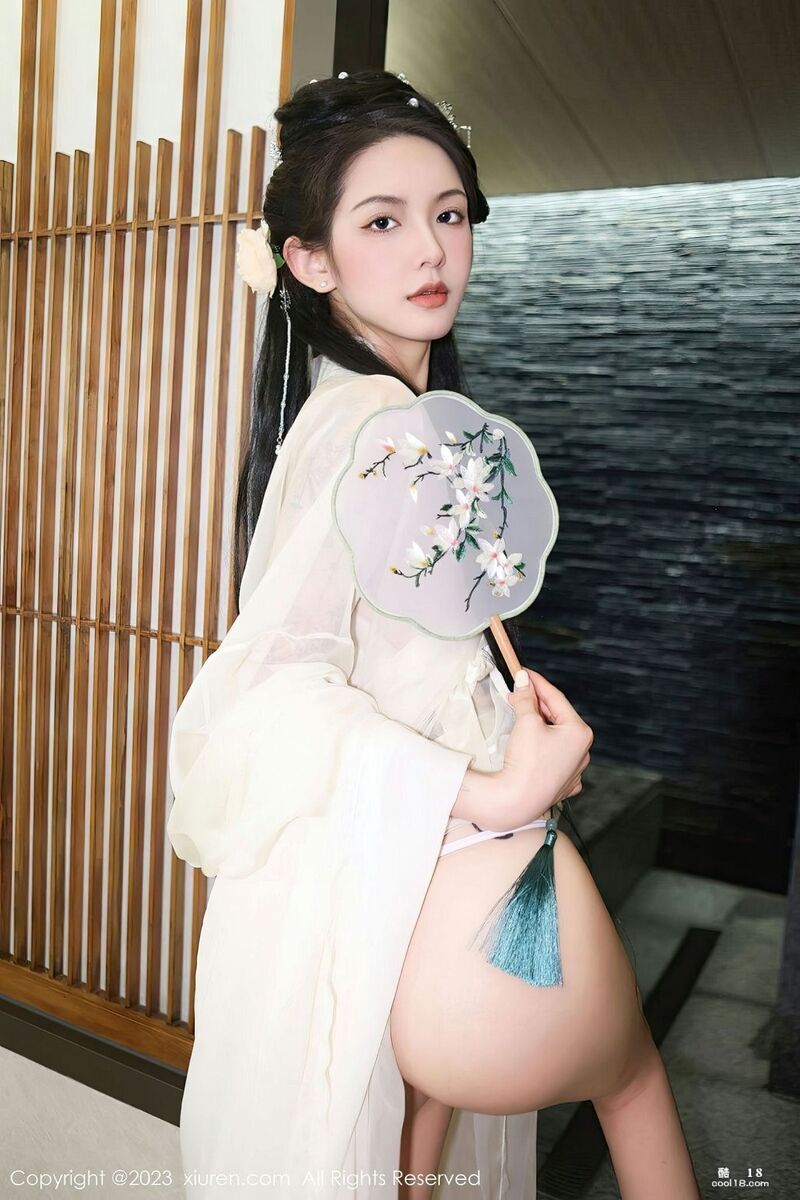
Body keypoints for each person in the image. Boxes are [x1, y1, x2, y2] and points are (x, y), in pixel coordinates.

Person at [167, 69, 700, 1200]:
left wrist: (500, 725)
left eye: (449, 214)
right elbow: (267, 683)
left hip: (387, 899)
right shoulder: (372, 418)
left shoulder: (361, 414)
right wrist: (492, 788)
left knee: (411, 1161)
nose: (430, 250)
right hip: (449, 873)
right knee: (634, 1085)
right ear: (309, 261)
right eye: (381, 221)